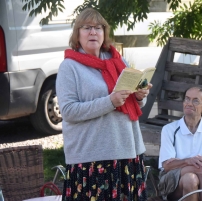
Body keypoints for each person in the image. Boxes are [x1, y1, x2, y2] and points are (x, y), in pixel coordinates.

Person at [56, 8, 152, 201]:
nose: (93, 32)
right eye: (87, 28)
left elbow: (132, 103)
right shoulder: (70, 67)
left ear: (104, 33)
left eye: (98, 27)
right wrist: (110, 101)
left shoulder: (118, 60)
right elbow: (68, 111)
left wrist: (140, 96)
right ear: (77, 34)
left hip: (127, 153)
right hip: (92, 159)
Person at [158, 86, 202, 201]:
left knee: (190, 179)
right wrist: (188, 161)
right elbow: (167, 166)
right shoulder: (169, 129)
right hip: (171, 182)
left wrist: (198, 167)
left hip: (199, 180)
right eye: (187, 99)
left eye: (195, 101)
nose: (189, 103)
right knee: (201, 169)